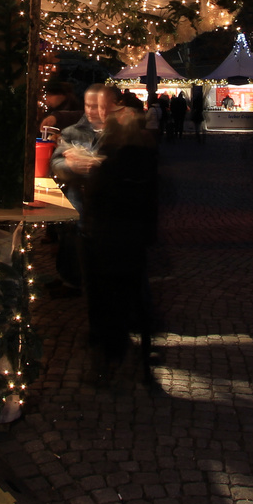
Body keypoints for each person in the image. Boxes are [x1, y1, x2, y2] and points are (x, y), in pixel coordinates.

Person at [77, 91, 160, 389]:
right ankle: (138, 350)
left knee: (104, 304)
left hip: (105, 241)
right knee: (130, 297)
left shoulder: (110, 162)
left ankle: (106, 361)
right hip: (134, 241)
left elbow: (95, 201)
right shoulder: (147, 159)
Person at [50, 83, 117, 293]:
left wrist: (94, 166)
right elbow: (55, 164)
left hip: (106, 204)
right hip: (77, 199)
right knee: (71, 235)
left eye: (97, 106)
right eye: (88, 105)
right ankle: (71, 279)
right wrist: (69, 166)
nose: (92, 110)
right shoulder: (72, 132)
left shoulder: (119, 133)